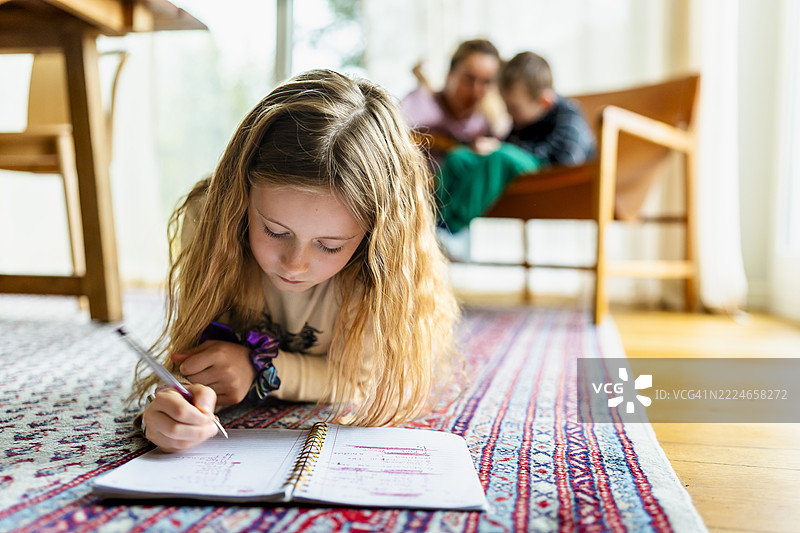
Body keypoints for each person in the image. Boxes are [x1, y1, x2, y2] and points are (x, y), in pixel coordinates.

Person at [130, 69, 460, 453]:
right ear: (241, 199)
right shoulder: (209, 218)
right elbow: (195, 348)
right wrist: (187, 400)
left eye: (330, 246)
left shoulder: (382, 265)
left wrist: (259, 368)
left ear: (372, 235)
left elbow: (355, 378)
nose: (294, 264)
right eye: (274, 231)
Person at [436, 51, 596, 234]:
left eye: (514, 107)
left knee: (501, 157)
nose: (509, 114)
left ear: (545, 101)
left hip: (554, 173)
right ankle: (433, 218)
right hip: (521, 161)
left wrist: (502, 149)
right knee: (460, 158)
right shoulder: (523, 120)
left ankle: (449, 228)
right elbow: (509, 144)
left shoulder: (569, 116)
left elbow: (567, 160)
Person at [401, 39, 507, 167]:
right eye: (469, 79)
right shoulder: (418, 105)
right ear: (450, 73)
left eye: (486, 82)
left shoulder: (487, 122)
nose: (476, 91)